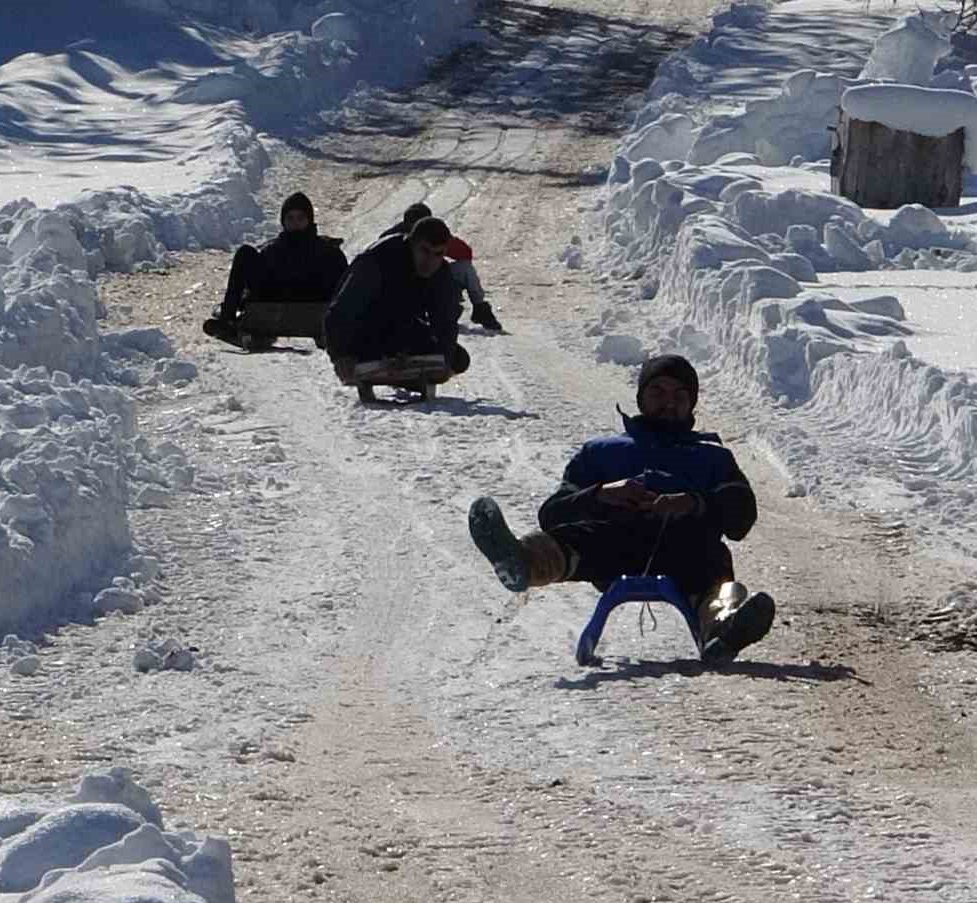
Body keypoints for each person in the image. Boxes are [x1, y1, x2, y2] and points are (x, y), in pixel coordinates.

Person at [467, 355, 775, 665]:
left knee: (713, 566)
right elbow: (552, 514)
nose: (668, 403)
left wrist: (694, 503)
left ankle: (723, 626)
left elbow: (741, 518)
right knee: (577, 536)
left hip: (689, 552)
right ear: (641, 398)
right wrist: (600, 495)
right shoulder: (602, 453)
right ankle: (523, 562)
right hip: (613, 545)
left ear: (691, 404)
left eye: (679, 396)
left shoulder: (713, 458)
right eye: (658, 393)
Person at [322, 216, 469, 379]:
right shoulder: (378, 260)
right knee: (363, 349)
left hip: (401, 329)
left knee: (458, 358)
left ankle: (404, 365)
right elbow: (342, 310)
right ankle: (373, 361)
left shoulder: (441, 273)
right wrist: (340, 355)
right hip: (364, 328)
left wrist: (445, 360)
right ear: (412, 244)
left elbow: (445, 321)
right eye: (424, 251)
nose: (430, 261)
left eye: (438, 254)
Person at [207, 192, 347, 331]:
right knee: (245, 253)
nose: (295, 223)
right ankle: (227, 320)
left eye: (300, 218)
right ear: (283, 221)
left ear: (309, 220)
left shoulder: (327, 250)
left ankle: (342, 327)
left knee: (336, 260)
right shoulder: (274, 249)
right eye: (290, 218)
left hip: (313, 306)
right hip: (274, 305)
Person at [381, 203, 502, 333]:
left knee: (465, 268)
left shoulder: (434, 233)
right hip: (403, 288)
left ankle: (479, 309)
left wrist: (446, 241)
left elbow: (465, 253)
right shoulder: (391, 239)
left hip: (433, 279)